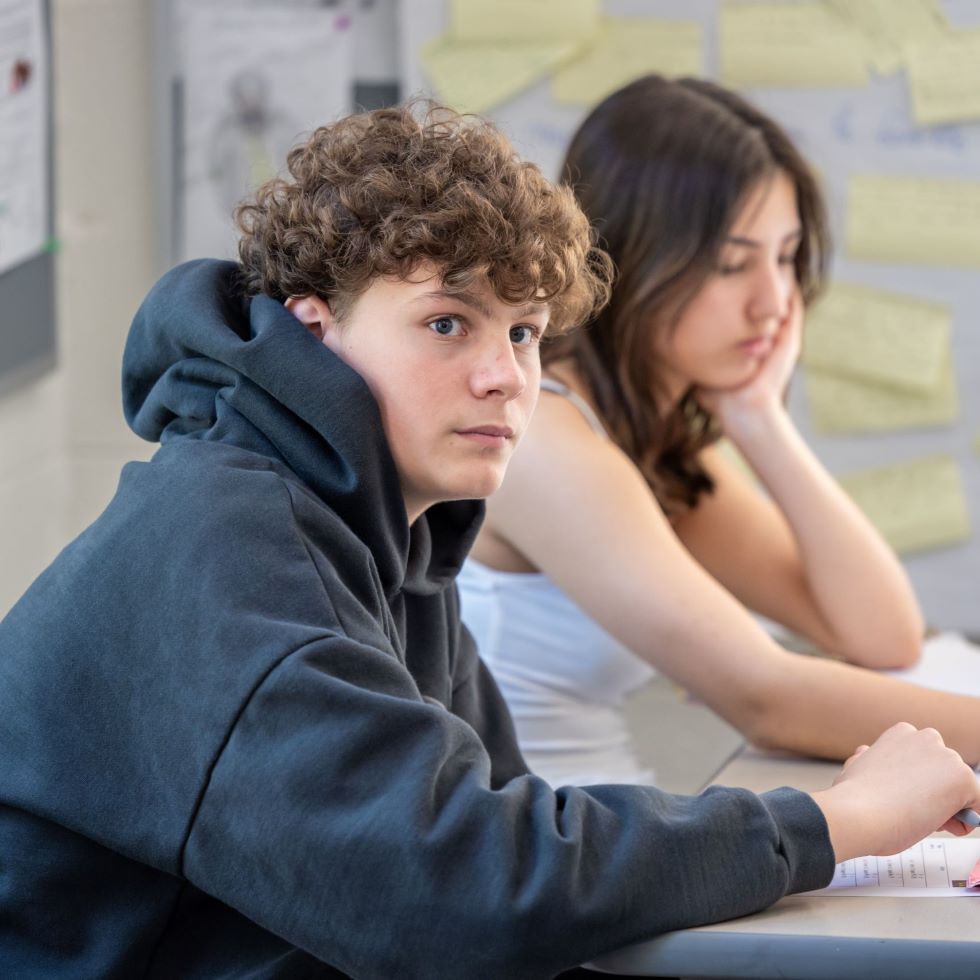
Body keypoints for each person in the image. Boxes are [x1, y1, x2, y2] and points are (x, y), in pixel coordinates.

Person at [0, 102, 976, 980]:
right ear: (315, 328)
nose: (503, 376)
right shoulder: (229, 541)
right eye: (446, 322)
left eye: (520, 331)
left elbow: (502, 810)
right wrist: (833, 821)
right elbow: (454, 893)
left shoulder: (392, 523)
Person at [459, 74, 980, 790]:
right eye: (733, 264)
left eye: (787, 256)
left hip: (588, 827)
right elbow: (769, 698)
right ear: (633, 259)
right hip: (530, 853)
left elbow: (880, 634)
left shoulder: (643, 429)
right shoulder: (544, 433)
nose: (773, 302)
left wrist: (761, 422)